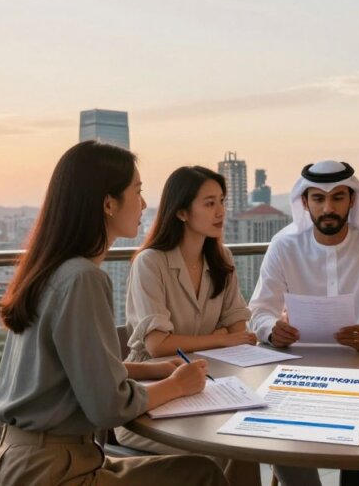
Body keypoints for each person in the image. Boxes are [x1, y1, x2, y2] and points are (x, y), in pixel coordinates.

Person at [0, 142, 227, 486]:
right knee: (203, 474)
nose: (144, 204)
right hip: (54, 473)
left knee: (201, 470)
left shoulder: (52, 269)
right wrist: (177, 385)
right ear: (108, 203)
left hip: (27, 460)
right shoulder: (84, 278)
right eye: (138, 191)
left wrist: (152, 368)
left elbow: (74, 370)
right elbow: (108, 407)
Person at [248, 159, 359, 486]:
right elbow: (259, 311)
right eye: (318, 199)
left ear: (353, 200)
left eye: (337, 197)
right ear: (304, 203)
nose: (328, 208)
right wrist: (271, 329)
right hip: (298, 374)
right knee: (282, 437)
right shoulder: (284, 245)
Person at [115, 165, 259, 486]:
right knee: (223, 449)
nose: (221, 211)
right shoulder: (150, 262)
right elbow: (158, 346)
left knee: (247, 443)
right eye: (209, 203)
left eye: (222, 201)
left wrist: (227, 337)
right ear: (181, 211)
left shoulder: (222, 258)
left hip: (211, 390)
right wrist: (221, 339)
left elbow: (241, 334)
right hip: (150, 399)